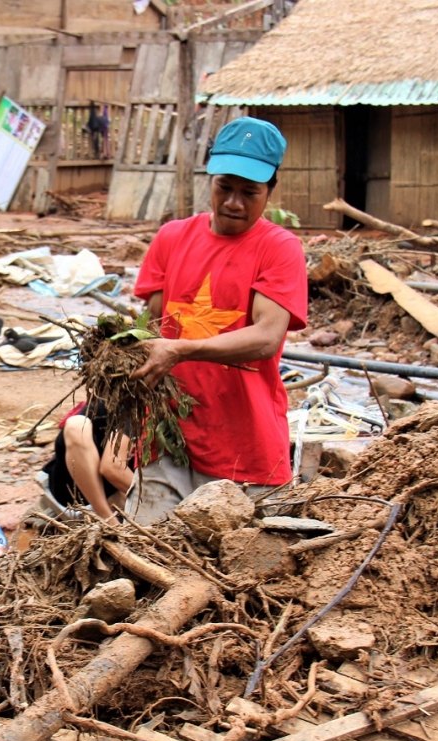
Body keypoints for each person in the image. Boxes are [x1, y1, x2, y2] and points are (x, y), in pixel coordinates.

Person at [125, 116, 308, 524]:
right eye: (224, 187)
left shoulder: (280, 249)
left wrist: (182, 350)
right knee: (146, 554)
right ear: (209, 178)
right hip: (169, 440)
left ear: (271, 190)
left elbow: (266, 337)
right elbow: (149, 325)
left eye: (250, 192)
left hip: (247, 449)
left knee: (244, 575)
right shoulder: (172, 238)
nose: (234, 203)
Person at [41, 402, 132, 523]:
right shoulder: (133, 406)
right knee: (77, 425)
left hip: (117, 485)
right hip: (72, 486)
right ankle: (107, 518)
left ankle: (116, 501)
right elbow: (111, 467)